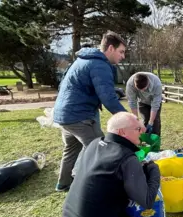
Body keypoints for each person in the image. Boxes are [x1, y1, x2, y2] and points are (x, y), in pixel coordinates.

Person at [62, 112, 160, 217]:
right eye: (138, 129)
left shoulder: (95, 143)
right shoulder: (126, 158)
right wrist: (154, 170)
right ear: (122, 132)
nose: (142, 132)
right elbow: (147, 201)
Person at [53, 30, 128, 192]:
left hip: (63, 115)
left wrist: (112, 91)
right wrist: (127, 119)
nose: (123, 56)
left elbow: (87, 86)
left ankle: (64, 182)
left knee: (71, 149)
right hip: (79, 116)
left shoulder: (84, 60)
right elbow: (108, 99)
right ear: (110, 49)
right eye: (121, 52)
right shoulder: (100, 65)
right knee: (101, 149)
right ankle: (97, 187)